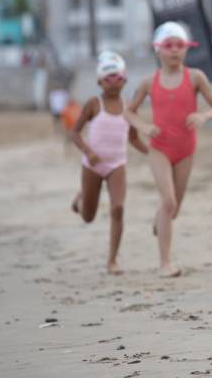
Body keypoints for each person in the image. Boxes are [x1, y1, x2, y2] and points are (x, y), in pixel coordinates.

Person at [126, 22, 212, 278]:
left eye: (179, 46)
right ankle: (165, 263)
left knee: (174, 208)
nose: (174, 51)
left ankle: (161, 220)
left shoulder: (196, 77)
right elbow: (129, 111)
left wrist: (203, 116)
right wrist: (143, 127)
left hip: (186, 149)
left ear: (186, 49)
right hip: (159, 149)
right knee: (168, 201)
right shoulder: (149, 82)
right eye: (168, 46)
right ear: (158, 50)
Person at [69, 52, 148, 275]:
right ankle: (81, 199)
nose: (113, 83)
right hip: (92, 165)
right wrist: (88, 151)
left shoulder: (129, 106)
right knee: (88, 216)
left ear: (125, 79)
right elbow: (74, 132)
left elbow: (133, 138)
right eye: (108, 78)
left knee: (118, 208)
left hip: (117, 165)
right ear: (99, 81)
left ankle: (112, 260)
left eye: (118, 77)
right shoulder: (94, 104)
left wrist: (150, 152)